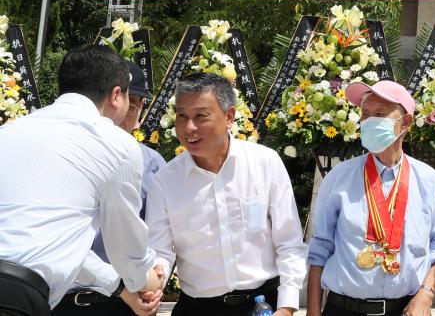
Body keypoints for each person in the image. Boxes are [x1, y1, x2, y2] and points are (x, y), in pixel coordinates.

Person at [0, 45, 163, 316]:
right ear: (116, 95)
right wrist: (147, 280)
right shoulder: (116, 144)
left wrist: (117, 285)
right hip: (16, 300)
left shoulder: (8, 131)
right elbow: (125, 251)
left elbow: (57, 243)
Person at [146, 72, 306, 315]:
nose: (189, 127)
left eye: (201, 116)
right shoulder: (165, 181)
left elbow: (289, 242)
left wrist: (286, 306)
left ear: (229, 116)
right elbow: (160, 251)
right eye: (182, 116)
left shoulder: (265, 163)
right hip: (199, 308)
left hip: (263, 304)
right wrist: (154, 276)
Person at [307, 80, 435, 316]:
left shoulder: (429, 181)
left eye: (380, 114)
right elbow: (320, 248)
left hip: (405, 309)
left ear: (405, 122)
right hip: (344, 308)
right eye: (365, 114)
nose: (369, 121)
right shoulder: (339, 178)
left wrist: (426, 293)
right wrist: (313, 312)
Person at [54, 60, 168, 315]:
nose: (124, 115)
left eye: (134, 106)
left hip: (127, 305)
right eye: (125, 103)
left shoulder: (152, 164)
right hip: (63, 299)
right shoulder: (64, 155)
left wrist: (158, 274)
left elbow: (160, 232)